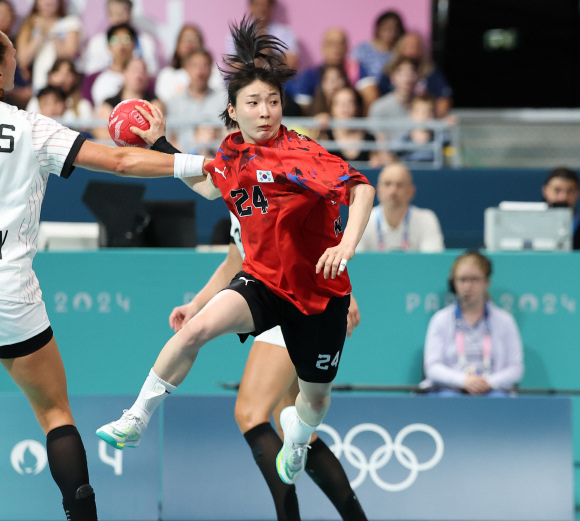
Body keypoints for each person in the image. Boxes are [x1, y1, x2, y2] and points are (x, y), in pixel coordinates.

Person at [0, 25, 208, 520]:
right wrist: (205, 163)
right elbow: (117, 160)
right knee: (54, 413)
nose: (19, 64)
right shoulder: (30, 126)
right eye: (14, 56)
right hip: (7, 286)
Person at [96, 18, 376, 491]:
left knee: (314, 400)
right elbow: (209, 187)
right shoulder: (232, 154)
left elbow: (361, 187)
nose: (266, 111)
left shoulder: (300, 154)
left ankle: (300, 440)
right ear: (233, 110)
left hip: (318, 294)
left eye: (273, 101)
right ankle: (135, 417)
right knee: (197, 328)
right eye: (254, 103)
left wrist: (346, 245)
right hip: (264, 281)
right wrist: (160, 146)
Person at [135, 104, 366, 520]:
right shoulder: (236, 180)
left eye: (271, 105)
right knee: (287, 418)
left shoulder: (287, 170)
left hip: (300, 301)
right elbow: (233, 261)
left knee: (254, 412)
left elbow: (320, 229)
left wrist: (345, 294)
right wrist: (197, 304)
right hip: (268, 295)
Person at [420, 251, 524, 396]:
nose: (467, 286)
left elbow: (515, 368)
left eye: (474, 279)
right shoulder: (440, 319)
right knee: (450, 399)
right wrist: (462, 380)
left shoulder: (505, 320)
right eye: (462, 280)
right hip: (451, 389)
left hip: (492, 389)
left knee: (498, 400)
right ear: (453, 283)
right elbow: (432, 367)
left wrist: (489, 382)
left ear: (486, 282)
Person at [357, 163, 444, 252]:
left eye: (399, 185)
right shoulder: (362, 220)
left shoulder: (426, 219)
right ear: (378, 190)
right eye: (387, 184)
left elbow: (432, 261)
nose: (393, 191)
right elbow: (356, 261)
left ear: (411, 191)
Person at [376, 33, 453, 118]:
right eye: (408, 46)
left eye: (416, 47)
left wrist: (437, 119)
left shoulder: (431, 71)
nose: (412, 51)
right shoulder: (388, 70)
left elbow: (444, 98)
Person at [165, 48, 226, 154]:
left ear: (211, 69)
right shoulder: (174, 102)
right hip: (184, 161)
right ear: (186, 69)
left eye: (205, 65)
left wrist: (216, 135)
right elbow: (170, 140)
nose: (200, 71)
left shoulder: (224, 99)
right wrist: (194, 138)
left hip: (218, 160)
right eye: (195, 65)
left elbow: (232, 133)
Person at [15, 0, 82, 94]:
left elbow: (68, 56)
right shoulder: (29, 24)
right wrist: (40, 35)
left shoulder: (70, 22)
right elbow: (23, 60)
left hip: (63, 87)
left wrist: (50, 31)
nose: (48, 2)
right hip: (39, 85)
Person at [80, 0, 158, 77]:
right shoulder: (97, 43)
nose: (118, 19)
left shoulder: (145, 41)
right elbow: (91, 73)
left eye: (121, 14)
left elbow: (152, 72)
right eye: (113, 14)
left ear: (130, 14)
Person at [290, 28, 357, 112]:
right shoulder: (309, 75)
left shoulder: (356, 70)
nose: (336, 48)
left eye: (341, 43)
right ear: (322, 47)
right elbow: (303, 109)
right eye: (331, 43)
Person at [93, 56, 159, 141]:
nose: (139, 75)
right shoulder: (108, 104)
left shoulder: (154, 104)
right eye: (134, 71)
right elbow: (101, 134)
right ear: (124, 73)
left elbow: (157, 133)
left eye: (143, 71)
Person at [351, 10, 405, 113]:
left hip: (392, 92)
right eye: (387, 28)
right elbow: (353, 69)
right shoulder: (363, 49)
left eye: (395, 28)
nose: (391, 32)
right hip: (366, 91)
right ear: (378, 28)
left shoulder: (399, 52)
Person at [154, 25, 224, 104]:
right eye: (184, 38)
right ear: (177, 45)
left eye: (194, 38)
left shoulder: (213, 70)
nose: (189, 43)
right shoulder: (167, 74)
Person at [322, 86, 382, 167]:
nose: (344, 107)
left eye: (350, 102)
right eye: (339, 103)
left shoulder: (370, 138)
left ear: (357, 107)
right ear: (332, 109)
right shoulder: (324, 137)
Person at [368, 55, 419, 141]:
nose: (408, 78)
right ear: (392, 78)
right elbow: (378, 143)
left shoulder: (426, 105)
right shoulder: (379, 107)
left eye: (412, 72)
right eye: (402, 73)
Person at [27, 58, 94, 120]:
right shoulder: (36, 100)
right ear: (50, 76)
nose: (63, 78)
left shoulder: (82, 105)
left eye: (68, 74)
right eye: (58, 72)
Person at [90, 23, 138, 108]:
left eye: (126, 39)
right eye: (115, 40)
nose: (121, 45)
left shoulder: (142, 79)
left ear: (134, 44)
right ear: (109, 46)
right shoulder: (97, 79)